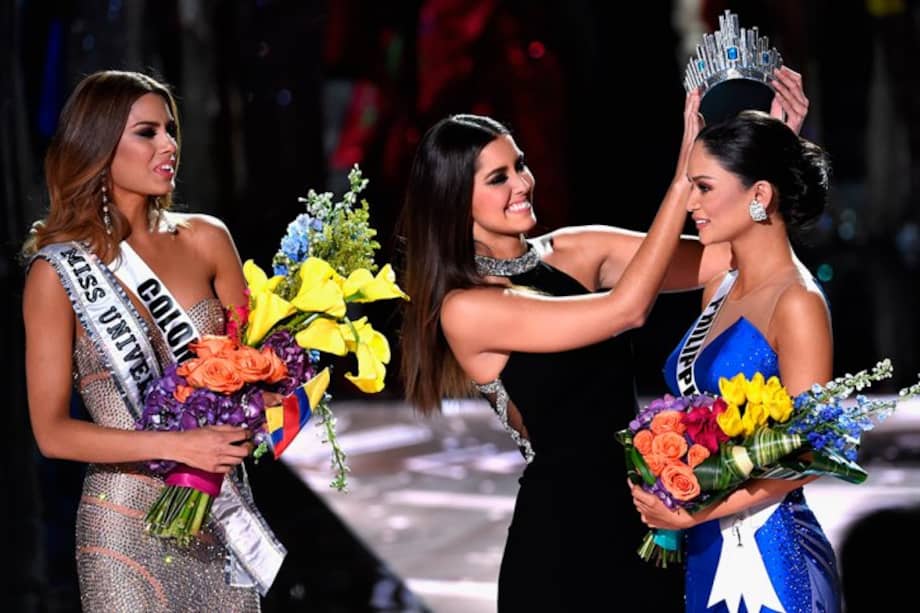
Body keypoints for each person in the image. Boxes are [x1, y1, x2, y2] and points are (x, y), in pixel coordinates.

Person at [22, 71, 283, 611]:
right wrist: (179, 446)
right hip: (121, 528)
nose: (169, 145)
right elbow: (53, 434)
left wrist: (277, 401)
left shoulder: (208, 238)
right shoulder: (58, 273)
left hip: (218, 518)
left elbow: (262, 367)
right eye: (148, 132)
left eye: (170, 129)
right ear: (98, 146)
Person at [631, 110, 841, 612]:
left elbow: (810, 452)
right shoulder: (718, 286)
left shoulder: (798, 302)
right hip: (706, 545)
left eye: (703, 187)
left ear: (759, 195)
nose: (692, 204)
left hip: (772, 555)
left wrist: (698, 511)